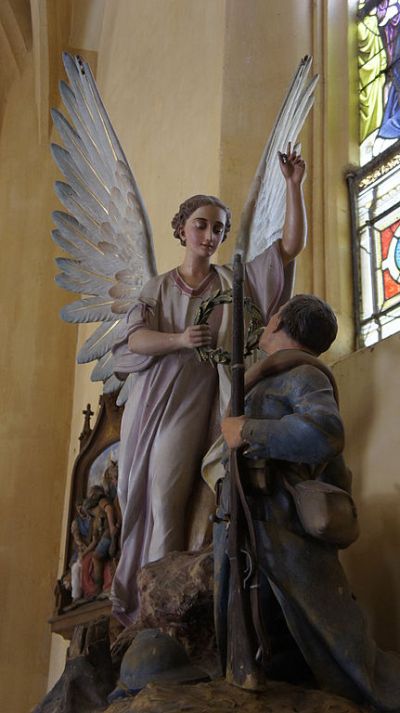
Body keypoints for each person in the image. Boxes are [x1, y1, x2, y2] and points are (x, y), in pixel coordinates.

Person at [110, 146, 307, 624]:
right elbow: (135, 338)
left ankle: (161, 611)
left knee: (166, 495)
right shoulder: (157, 286)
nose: (210, 234)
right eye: (201, 224)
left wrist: (294, 187)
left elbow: (288, 248)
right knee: (141, 495)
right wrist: (180, 337)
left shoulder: (229, 284)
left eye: (218, 227)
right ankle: (148, 607)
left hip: (196, 400)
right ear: (181, 228)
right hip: (154, 397)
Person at [218, 294, 400, 710]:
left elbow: (323, 433)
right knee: (261, 643)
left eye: (273, 316)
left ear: (281, 321)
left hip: (280, 530)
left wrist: (248, 431)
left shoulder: (302, 376)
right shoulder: (263, 378)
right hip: (248, 531)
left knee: (308, 644)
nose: (266, 321)